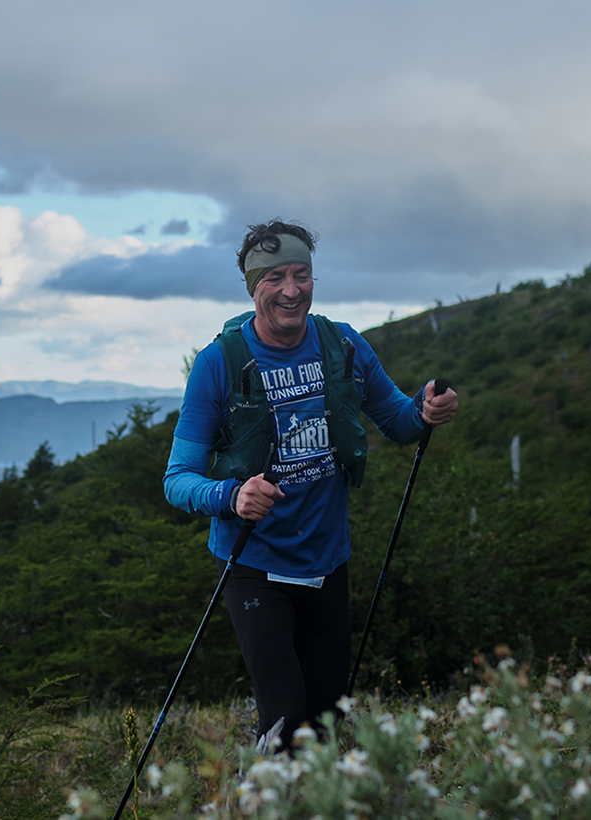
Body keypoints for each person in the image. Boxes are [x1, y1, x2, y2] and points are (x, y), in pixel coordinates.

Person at [163, 219, 458, 750]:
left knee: (325, 724)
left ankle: (306, 791)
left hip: (327, 561)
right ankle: (265, 789)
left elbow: (398, 421)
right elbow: (177, 479)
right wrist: (231, 496)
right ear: (253, 287)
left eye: (302, 274)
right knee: (284, 721)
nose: (291, 290)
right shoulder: (218, 364)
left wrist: (426, 409)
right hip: (254, 565)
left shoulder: (342, 344)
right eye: (274, 277)